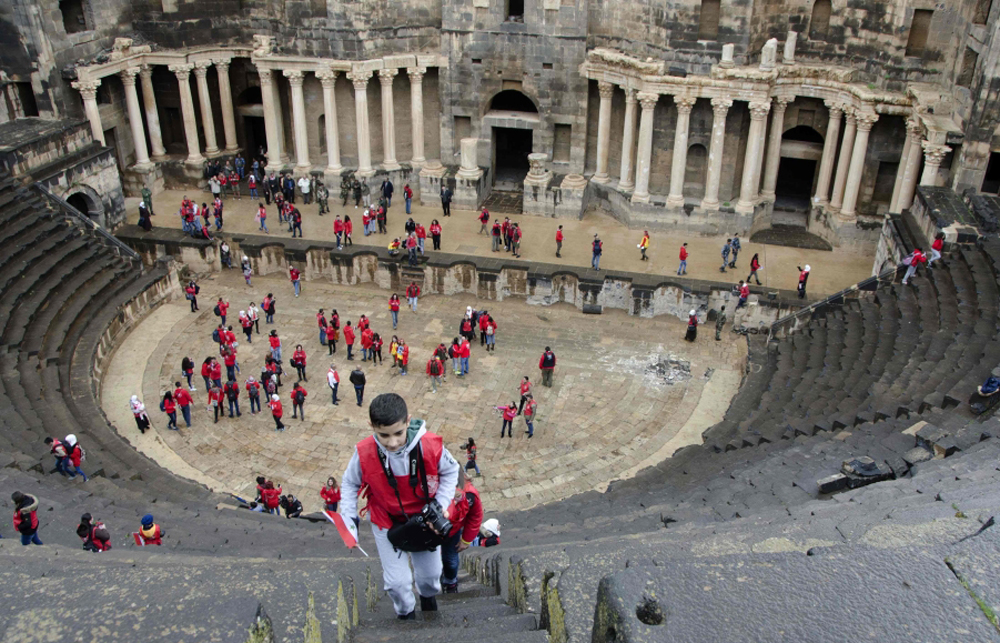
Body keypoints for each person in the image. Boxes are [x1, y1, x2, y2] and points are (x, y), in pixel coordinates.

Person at [338, 393, 460, 620]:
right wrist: (348, 517)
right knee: (396, 583)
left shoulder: (429, 445)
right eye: (383, 435)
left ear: (408, 421)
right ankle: (406, 615)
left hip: (423, 521)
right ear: (371, 426)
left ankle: (428, 597)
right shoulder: (363, 451)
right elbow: (350, 482)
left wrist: (441, 504)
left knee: (431, 577)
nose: (392, 442)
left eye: (398, 433)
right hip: (386, 519)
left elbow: (452, 470)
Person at [440, 467, 484, 593]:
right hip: (428, 533)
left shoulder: (470, 495)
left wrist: (466, 540)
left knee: (451, 561)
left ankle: (450, 582)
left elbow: (475, 516)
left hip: (452, 532)